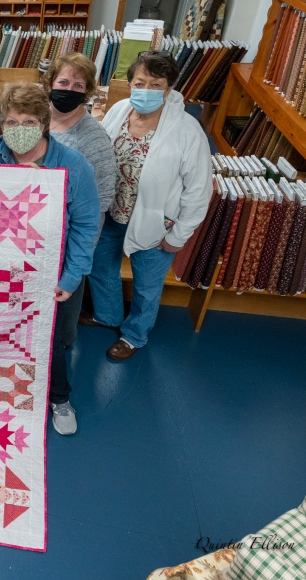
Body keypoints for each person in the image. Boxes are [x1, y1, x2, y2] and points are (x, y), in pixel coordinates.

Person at [0, 81, 100, 436]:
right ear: (0, 124)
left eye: (28, 122)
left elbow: (86, 226)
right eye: (11, 122)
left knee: (49, 340)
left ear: (44, 123)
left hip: (48, 275)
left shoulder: (73, 165)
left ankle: (59, 398)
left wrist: (71, 278)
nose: (19, 130)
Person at [80, 51, 212, 361]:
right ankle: (108, 316)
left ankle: (134, 335)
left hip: (156, 224)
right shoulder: (118, 110)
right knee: (101, 269)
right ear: (129, 84)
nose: (147, 90)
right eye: (140, 82)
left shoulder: (187, 131)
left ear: (169, 89)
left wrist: (178, 235)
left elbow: (198, 190)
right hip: (113, 213)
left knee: (146, 287)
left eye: (156, 84)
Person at [42, 51, 117, 349]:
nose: (68, 90)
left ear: (88, 93)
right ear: (49, 83)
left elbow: (99, 205)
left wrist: (77, 262)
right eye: (63, 82)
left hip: (65, 249)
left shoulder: (94, 139)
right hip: (27, 241)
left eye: (78, 86)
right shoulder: (35, 121)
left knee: (60, 333)